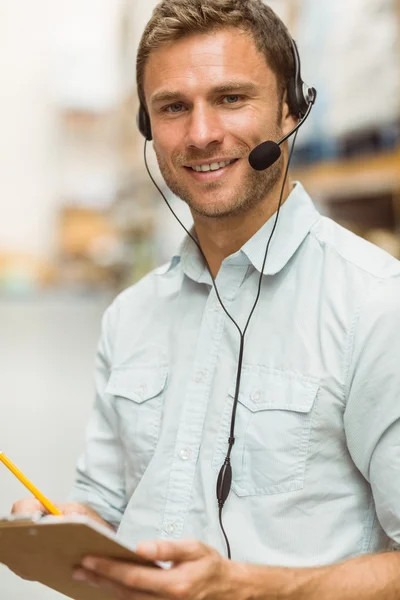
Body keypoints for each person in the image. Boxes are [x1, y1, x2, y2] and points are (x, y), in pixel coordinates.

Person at [12, 0, 400, 598]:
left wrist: (252, 586)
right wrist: (58, 534)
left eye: (230, 98)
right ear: (148, 128)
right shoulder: (132, 315)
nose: (200, 134)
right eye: (173, 107)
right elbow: (108, 511)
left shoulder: (376, 306)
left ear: (291, 109)